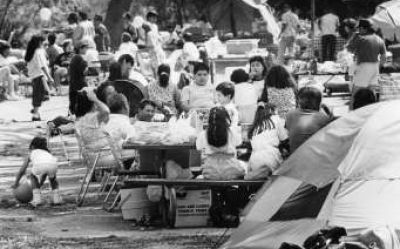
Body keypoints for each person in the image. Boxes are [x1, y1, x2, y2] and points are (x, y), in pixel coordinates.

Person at [196, 106, 245, 180]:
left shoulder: (204, 134)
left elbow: (198, 146)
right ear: (226, 119)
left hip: (210, 171)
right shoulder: (231, 132)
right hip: (231, 170)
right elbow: (239, 142)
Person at [347, 19, 386, 108]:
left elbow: (349, 49)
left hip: (364, 66)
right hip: (375, 67)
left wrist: (354, 36)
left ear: (364, 29)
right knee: (371, 93)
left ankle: (351, 114)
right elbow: (384, 58)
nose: (358, 31)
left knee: (356, 93)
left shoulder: (360, 38)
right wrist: (377, 67)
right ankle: (371, 113)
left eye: (359, 29)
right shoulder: (379, 39)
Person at [12, 136, 62, 207]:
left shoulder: (32, 153)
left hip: (40, 165)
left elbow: (22, 170)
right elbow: (44, 174)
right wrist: (40, 184)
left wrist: (16, 183)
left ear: (32, 146)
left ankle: (37, 200)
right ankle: (56, 199)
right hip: (54, 164)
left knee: (33, 177)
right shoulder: (47, 153)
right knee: (53, 179)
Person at [245, 103, 288, 180]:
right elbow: (284, 138)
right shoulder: (276, 119)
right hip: (271, 159)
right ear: (272, 111)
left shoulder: (255, 125)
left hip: (254, 162)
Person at [285, 87, 331, 153]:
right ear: (319, 102)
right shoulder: (322, 117)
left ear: (298, 100)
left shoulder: (290, 114)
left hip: (294, 154)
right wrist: (327, 111)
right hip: (315, 155)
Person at [25, 35, 54, 121]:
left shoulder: (31, 51)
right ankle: (35, 114)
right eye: (43, 41)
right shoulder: (38, 52)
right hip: (40, 76)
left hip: (34, 76)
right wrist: (49, 77)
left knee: (39, 94)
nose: (45, 43)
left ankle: (35, 110)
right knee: (41, 95)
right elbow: (42, 66)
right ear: (40, 42)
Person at [68, 40, 89, 116]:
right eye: (85, 48)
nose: (86, 50)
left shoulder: (74, 57)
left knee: (72, 106)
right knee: (81, 104)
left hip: (73, 85)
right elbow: (84, 72)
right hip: (79, 85)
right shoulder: (79, 58)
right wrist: (87, 65)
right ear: (80, 49)